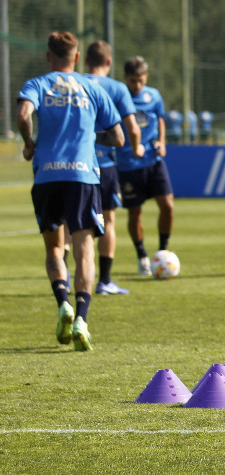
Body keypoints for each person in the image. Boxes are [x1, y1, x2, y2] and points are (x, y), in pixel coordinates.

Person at [17, 31, 126, 350]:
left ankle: (62, 302)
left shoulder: (37, 84)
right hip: (84, 176)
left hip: (47, 176)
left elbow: (24, 114)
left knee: (54, 249)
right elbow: (119, 138)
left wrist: (28, 143)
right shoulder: (93, 86)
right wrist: (90, 139)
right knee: (84, 249)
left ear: (48, 56)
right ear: (77, 57)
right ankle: (81, 317)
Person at [83, 41, 145, 295]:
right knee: (108, 220)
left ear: (85, 61)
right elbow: (132, 128)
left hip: (78, 163)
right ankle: (104, 281)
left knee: (70, 223)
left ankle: (63, 279)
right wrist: (137, 148)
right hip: (106, 164)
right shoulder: (117, 88)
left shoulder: (75, 82)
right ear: (109, 62)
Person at [117, 56, 175, 276]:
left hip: (153, 160)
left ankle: (162, 251)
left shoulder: (154, 95)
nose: (137, 85)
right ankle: (141, 255)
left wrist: (162, 141)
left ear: (146, 77)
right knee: (135, 214)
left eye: (140, 80)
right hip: (128, 164)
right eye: (133, 81)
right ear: (125, 79)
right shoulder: (119, 97)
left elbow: (160, 118)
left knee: (168, 206)